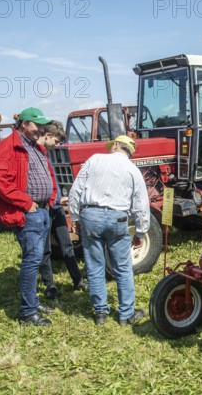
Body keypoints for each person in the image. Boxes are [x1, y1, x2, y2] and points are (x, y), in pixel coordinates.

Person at [68, 135, 150, 326]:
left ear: (115, 146)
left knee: (95, 266)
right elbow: (141, 204)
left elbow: (75, 191)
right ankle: (126, 314)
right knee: (122, 267)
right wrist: (140, 232)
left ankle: (100, 313)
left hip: (91, 217)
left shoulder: (94, 160)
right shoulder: (132, 169)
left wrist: (75, 218)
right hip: (117, 218)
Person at [0, 107, 57, 326]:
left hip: (43, 210)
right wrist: (27, 203)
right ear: (25, 124)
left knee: (37, 259)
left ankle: (33, 301)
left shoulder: (34, 146)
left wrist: (51, 197)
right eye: (37, 125)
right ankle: (27, 313)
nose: (41, 129)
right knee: (32, 260)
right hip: (30, 213)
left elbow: (46, 173)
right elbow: (0, 182)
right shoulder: (8, 147)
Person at [36, 121, 88, 298]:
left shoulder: (48, 155)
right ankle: (50, 286)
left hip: (56, 206)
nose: (57, 145)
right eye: (56, 141)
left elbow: (52, 181)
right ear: (48, 135)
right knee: (45, 249)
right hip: (43, 209)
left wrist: (59, 197)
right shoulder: (36, 155)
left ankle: (78, 280)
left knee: (66, 245)